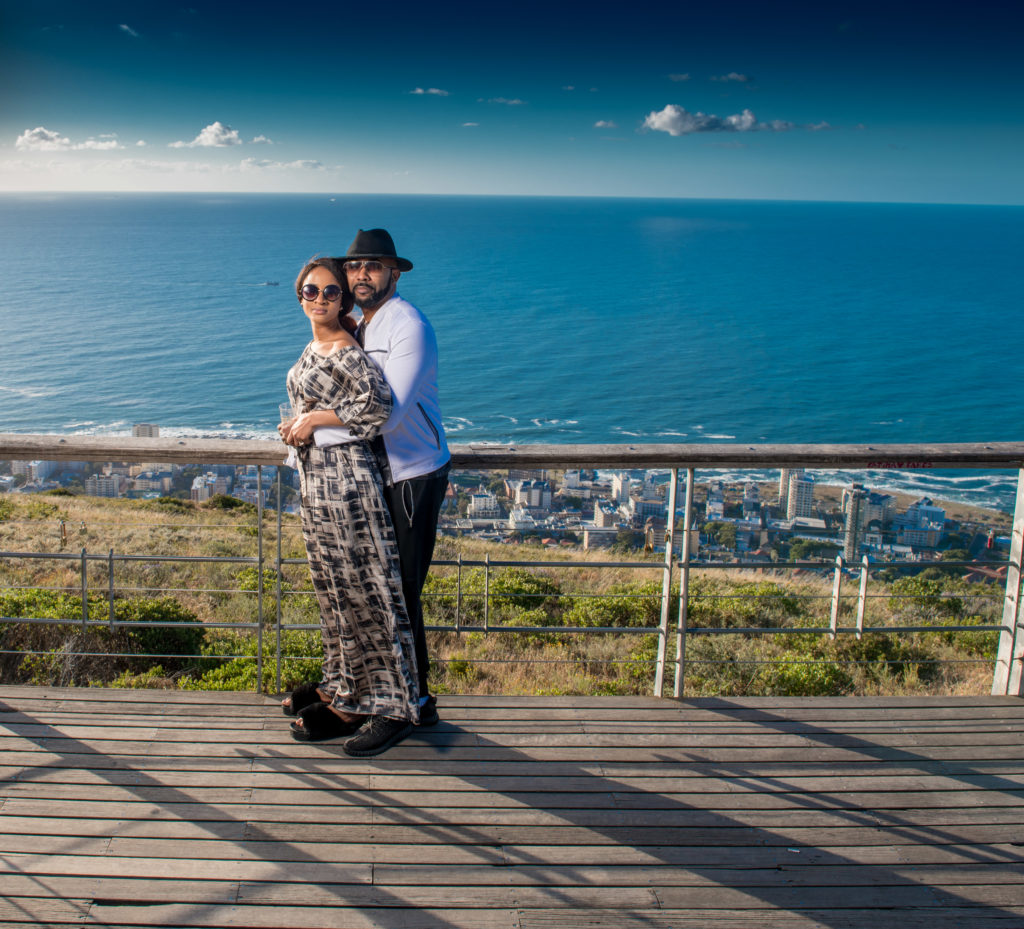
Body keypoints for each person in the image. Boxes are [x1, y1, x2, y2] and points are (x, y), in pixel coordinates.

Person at [278, 256, 420, 755]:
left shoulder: (346, 351)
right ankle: (345, 689)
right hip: (318, 481)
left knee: (365, 591)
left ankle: (391, 704)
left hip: (346, 485)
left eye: (330, 292)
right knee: (334, 590)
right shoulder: (319, 344)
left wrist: (314, 419)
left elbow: (380, 409)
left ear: (344, 299)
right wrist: (300, 425)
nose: (319, 300)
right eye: (310, 292)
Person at [316, 229, 450, 726]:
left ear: (395, 272)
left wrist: (314, 420)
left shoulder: (406, 325)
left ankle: (415, 705)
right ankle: (377, 694)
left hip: (412, 476)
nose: (360, 275)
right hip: (375, 479)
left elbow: (387, 413)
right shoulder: (364, 326)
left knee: (402, 592)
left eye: (372, 266)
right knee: (376, 590)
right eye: (353, 267)